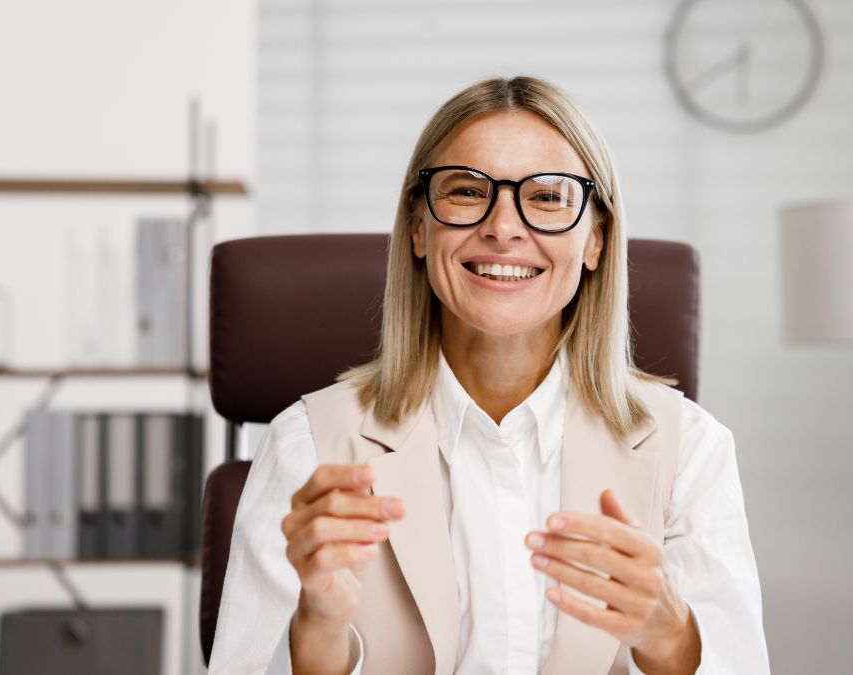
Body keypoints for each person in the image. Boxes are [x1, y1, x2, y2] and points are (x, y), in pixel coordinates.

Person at [208, 75, 769, 675]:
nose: (504, 227)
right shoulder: (308, 446)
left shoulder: (691, 452)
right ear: (419, 229)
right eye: (467, 192)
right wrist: (317, 632)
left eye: (549, 197)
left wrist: (672, 641)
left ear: (597, 240)